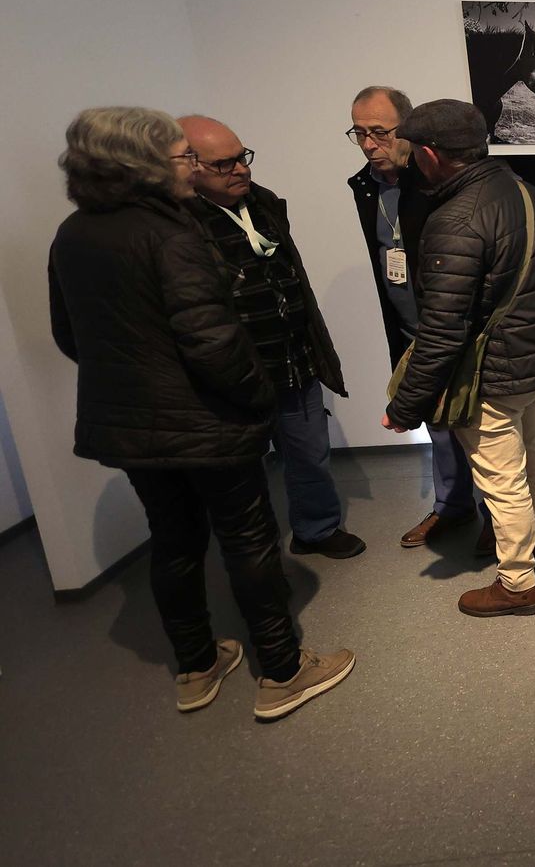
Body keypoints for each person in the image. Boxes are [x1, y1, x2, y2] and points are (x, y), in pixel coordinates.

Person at [48, 107, 353, 720]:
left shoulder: (74, 233)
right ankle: (283, 671)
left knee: (174, 540)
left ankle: (197, 665)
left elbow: (69, 336)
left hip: (129, 428)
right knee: (249, 541)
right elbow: (212, 341)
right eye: (181, 154)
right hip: (203, 422)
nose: (189, 163)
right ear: (143, 163)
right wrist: (256, 397)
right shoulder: (172, 234)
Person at [382, 100, 535, 617]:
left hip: (494, 373)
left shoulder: (456, 217)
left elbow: (443, 330)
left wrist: (405, 406)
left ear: (429, 155)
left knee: (502, 477)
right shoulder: (528, 193)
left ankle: (517, 584)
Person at [179, 115, 363, 559]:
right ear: (190, 166)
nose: (241, 169)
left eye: (242, 157)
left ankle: (316, 530)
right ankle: (253, 555)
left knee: (310, 453)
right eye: (224, 164)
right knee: (241, 472)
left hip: (294, 358)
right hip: (236, 375)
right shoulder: (178, 225)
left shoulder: (263, 204)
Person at [345, 85, 493, 552]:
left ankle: (499, 518)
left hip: (459, 334)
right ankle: (452, 506)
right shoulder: (366, 187)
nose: (370, 145)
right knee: (439, 425)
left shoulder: (441, 182)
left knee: (484, 433)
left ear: (407, 131)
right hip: (410, 334)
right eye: (359, 133)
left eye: (380, 133)